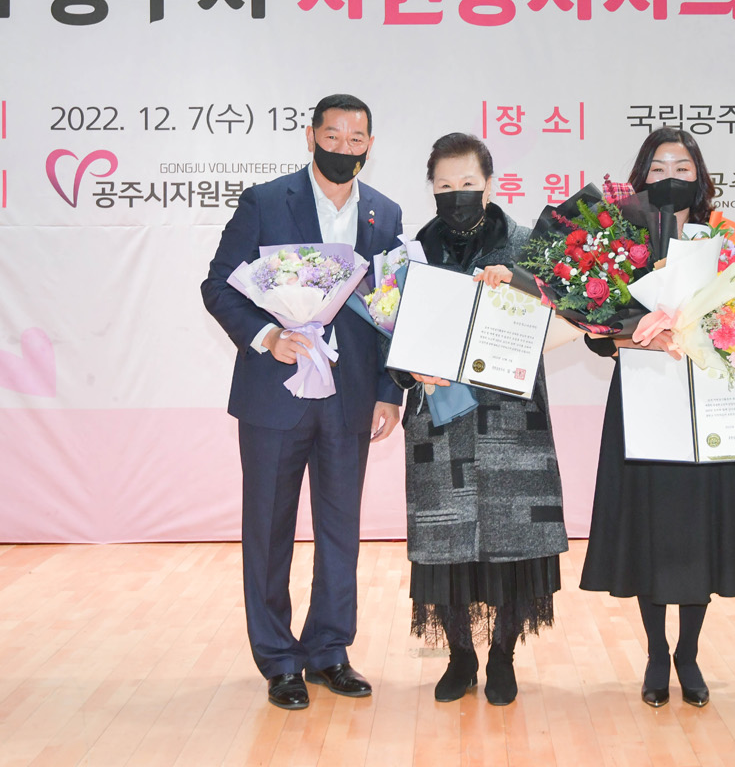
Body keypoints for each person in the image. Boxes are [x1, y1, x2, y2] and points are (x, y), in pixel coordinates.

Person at [200, 94, 405, 711]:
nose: (343, 148)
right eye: (332, 136)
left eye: (356, 139)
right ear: (311, 137)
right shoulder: (266, 201)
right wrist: (268, 336)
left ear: (370, 145)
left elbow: (392, 308)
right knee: (268, 529)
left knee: (341, 529)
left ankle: (329, 651)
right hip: (276, 393)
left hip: (350, 397)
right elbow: (218, 284)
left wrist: (388, 391)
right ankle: (279, 659)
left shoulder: (385, 213)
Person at [579, 126, 735, 708]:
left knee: (698, 531)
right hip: (643, 399)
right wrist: (634, 334)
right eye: (658, 168)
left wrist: (731, 333)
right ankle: (656, 653)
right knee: (651, 529)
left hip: (706, 405)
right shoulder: (618, 243)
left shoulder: (727, 245)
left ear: (699, 177)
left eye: (681, 168)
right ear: (642, 178)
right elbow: (595, 333)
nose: (670, 177)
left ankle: (688, 653)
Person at [393, 133, 569, 707]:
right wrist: (407, 370)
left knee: (514, 540)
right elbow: (390, 335)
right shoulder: (412, 253)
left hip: (513, 420)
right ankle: (460, 657)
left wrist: (519, 282)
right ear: (432, 188)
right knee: (444, 543)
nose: (457, 194)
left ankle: (502, 657)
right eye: (445, 185)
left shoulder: (527, 244)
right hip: (439, 422)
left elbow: (570, 309)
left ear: (489, 184)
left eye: (467, 183)